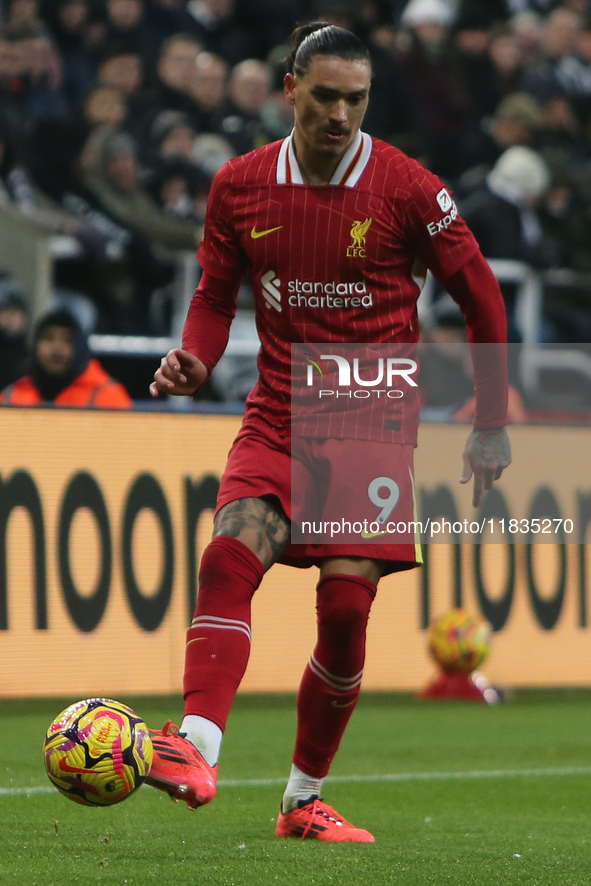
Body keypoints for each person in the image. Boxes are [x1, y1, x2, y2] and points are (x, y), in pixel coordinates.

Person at [147, 22, 511, 842]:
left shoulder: (407, 187)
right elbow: (212, 297)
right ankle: (197, 747)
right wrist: (196, 361)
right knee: (228, 551)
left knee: (345, 609)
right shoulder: (239, 186)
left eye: (355, 98)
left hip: (371, 424)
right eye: (325, 96)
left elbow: (481, 296)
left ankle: (301, 799)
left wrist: (491, 422)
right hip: (277, 410)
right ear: (290, 88)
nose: (340, 114)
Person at [0, 306, 132, 406]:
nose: (57, 348)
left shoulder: (108, 396)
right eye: (48, 338)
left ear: (80, 347)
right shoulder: (11, 395)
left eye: (67, 340)